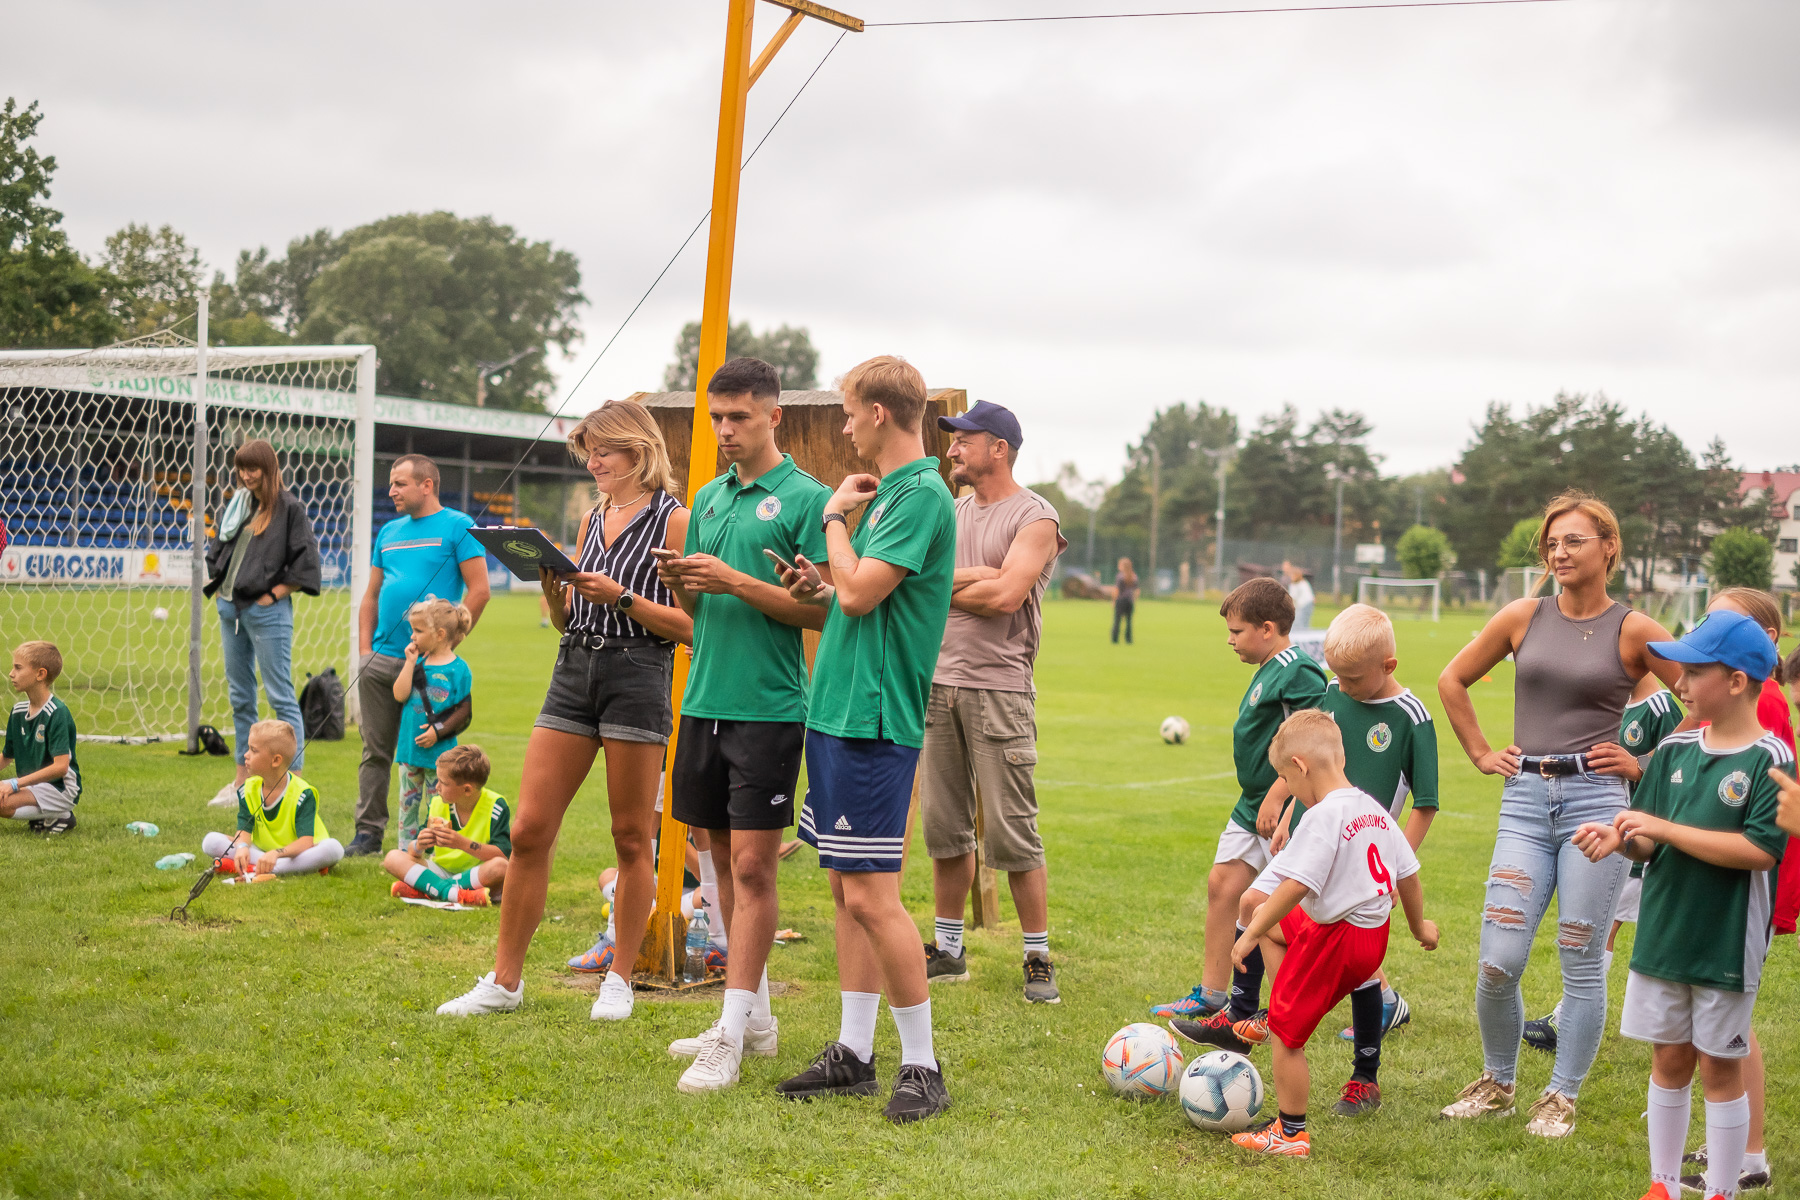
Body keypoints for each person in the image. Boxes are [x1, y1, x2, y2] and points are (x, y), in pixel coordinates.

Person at [1437, 491, 1685, 1139]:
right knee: (1499, 961)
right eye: (1552, 542)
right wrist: (1482, 752)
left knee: (1579, 954)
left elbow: (1701, 697)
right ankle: (1497, 1082)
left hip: (1595, 807)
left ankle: (1561, 1096)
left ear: (1609, 547)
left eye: (1574, 540)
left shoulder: (1635, 629)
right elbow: (1451, 680)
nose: (1559, 551)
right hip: (1523, 801)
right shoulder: (1524, 615)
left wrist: (1644, 767)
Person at [437, 399, 691, 1022]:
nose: (593, 461)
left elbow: (692, 625)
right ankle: (505, 981)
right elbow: (568, 620)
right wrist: (557, 598)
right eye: (588, 451)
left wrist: (622, 596)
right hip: (574, 669)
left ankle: (622, 979)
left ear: (638, 450)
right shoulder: (591, 518)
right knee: (527, 831)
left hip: (638, 672)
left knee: (633, 837)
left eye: (603, 449)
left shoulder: (675, 520)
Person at [771, 355, 957, 1124]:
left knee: (877, 898)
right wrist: (821, 582)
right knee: (847, 891)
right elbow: (851, 598)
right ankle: (853, 1052)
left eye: (849, 412)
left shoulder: (918, 496)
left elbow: (859, 588)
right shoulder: (890, 496)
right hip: (839, 711)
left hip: (876, 719)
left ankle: (924, 1066)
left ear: (880, 413)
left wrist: (831, 524)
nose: (844, 425)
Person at [652, 356, 832, 1093]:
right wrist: (685, 587)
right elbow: (702, 618)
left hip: (769, 707)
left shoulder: (807, 498)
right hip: (702, 704)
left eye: (739, 418)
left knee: (756, 868)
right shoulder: (707, 497)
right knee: (720, 865)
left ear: (773, 416)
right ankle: (751, 1019)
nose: (725, 431)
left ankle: (727, 1036)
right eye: (716, 418)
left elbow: (819, 610)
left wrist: (732, 579)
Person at [1570, 611, 1787, 1200]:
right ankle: (1662, 1185)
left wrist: (1660, 830)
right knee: (1668, 1058)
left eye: (1693, 671)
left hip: (1723, 940)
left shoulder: (1771, 759)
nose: (1680, 682)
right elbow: (1645, 833)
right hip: (1663, 931)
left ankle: (1721, 1189)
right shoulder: (1673, 750)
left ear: (1737, 680)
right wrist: (1624, 836)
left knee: (1719, 1066)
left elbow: (1759, 850)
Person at [1230, 603, 1438, 1117]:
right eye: (1336, 676)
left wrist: (1386, 868)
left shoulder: (1412, 719)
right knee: (1255, 902)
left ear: (1388, 666)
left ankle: (1350, 1076)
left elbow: (1424, 806)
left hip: (1354, 864)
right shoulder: (1333, 697)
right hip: (1325, 839)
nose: (1341, 687)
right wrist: (1282, 807)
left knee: (1312, 952)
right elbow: (1306, 756)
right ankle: (1287, 1006)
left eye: (1351, 678)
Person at [917, 399, 1067, 1002]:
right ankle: (949, 949)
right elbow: (914, 576)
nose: (952, 449)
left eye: (963, 440)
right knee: (943, 828)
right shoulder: (950, 511)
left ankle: (1037, 956)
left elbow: (1007, 595)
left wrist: (941, 585)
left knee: (1013, 832)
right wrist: (971, 578)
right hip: (936, 685)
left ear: (997, 448)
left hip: (999, 690)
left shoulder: (1036, 518)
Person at [1154, 578, 1326, 1037]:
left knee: (1307, 909)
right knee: (1224, 884)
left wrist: (1279, 795)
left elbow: (1311, 744)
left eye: (1237, 632)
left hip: (1282, 808)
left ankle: (1378, 997)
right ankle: (1212, 993)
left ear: (1267, 628)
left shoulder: (1299, 671)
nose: (1230, 641)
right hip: (1250, 804)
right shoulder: (1270, 667)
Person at [1522, 671, 1683, 1053]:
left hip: (1639, 843)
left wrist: (1638, 764)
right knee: (1599, 927)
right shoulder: (1610, 705)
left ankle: (1567, 1021)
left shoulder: (1659, 707)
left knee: (1602, 929)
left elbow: (1679, 763)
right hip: (1612, 839)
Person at [350, 454, 490, 856]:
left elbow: (479, 590)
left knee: (432, 757)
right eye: (392, 484)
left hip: (429, 667)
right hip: (381, 660)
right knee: (375, 751)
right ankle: (367, 835)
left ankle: (433, 840)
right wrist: (364, 651)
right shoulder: (388, 531)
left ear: (427, 485)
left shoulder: (458, 526)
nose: (390, 491)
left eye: (399, 483)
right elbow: (372, 595)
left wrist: (450, 645)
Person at [204, 438, 323, 806]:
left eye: (252, 468)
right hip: (229, 608)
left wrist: (271, 596)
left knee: (281, 696)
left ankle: (295, 786)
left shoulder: (289, 509)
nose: (245, 475)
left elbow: (306, 563)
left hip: (268, 612)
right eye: (240, 468)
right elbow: (220, 549)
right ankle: (242, 782)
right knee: (241, 697)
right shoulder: (236, 504)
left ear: (269, 468)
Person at [201, 719, 344, 876]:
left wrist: (276, 853)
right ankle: (273, 867)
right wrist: (242, 848)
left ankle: (261, 868)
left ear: (276, 760)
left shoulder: (303, 793)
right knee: (210, 841)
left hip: (298, 853)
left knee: (333, 848)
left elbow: (305, 842)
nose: (246, 755)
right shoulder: (247, 789)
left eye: (253, 750)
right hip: (262, 851)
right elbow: (244, 831)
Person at [390, 598, 475, 853]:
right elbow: (399, 694)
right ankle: (407, 854)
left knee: (438, 807)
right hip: (409, 751)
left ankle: (437, 854)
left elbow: (464, 712)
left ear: (439, 634)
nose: (412, 636)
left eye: (418, 631)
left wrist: (437, 732)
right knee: (407, 807)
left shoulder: (459, 669)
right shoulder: (417, 664)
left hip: (441, 758)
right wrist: (408, 663)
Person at [384, 744, 509, 907]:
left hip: (476, 874)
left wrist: (461, 843)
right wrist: (419, 845)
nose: (436, 787)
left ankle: (429, 889)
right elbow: (414, 852)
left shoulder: (495, 806)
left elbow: (503, 855)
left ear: (467, 790)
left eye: (443, 783)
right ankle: (455, 894)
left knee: (501, 867)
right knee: (393, 858)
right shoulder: (437, 803)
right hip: (440, 870)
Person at [0, 641, 80, 834]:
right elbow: (6, 756)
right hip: (32, 784)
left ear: (40, 674)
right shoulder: (18, 711)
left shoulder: (57, 713)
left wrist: (14, 784)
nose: (11, 673)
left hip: (59, 788)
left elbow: (61, 767)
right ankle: (43, 816)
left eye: (18, 668)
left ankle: (61, 814)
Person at [1282, 561, 1315, 631]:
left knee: (1299, 622)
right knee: (1304, 622)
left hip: (1304, 604)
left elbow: (1293, 598)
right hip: (1309, 603)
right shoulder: (1304, 582)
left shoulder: (1295, 585)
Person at [1111, 557, 1137, 644]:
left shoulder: (1120, 576)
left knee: (1117, 620)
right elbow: (1137, 591)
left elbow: (1117, 590)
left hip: (1121, 600)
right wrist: (1133, 599)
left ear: (1123, 566)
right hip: (1129, 601)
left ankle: (1115, 639)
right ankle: (1128, 639)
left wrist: (1114, 601)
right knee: (1129, 621)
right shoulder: (1134, 576)